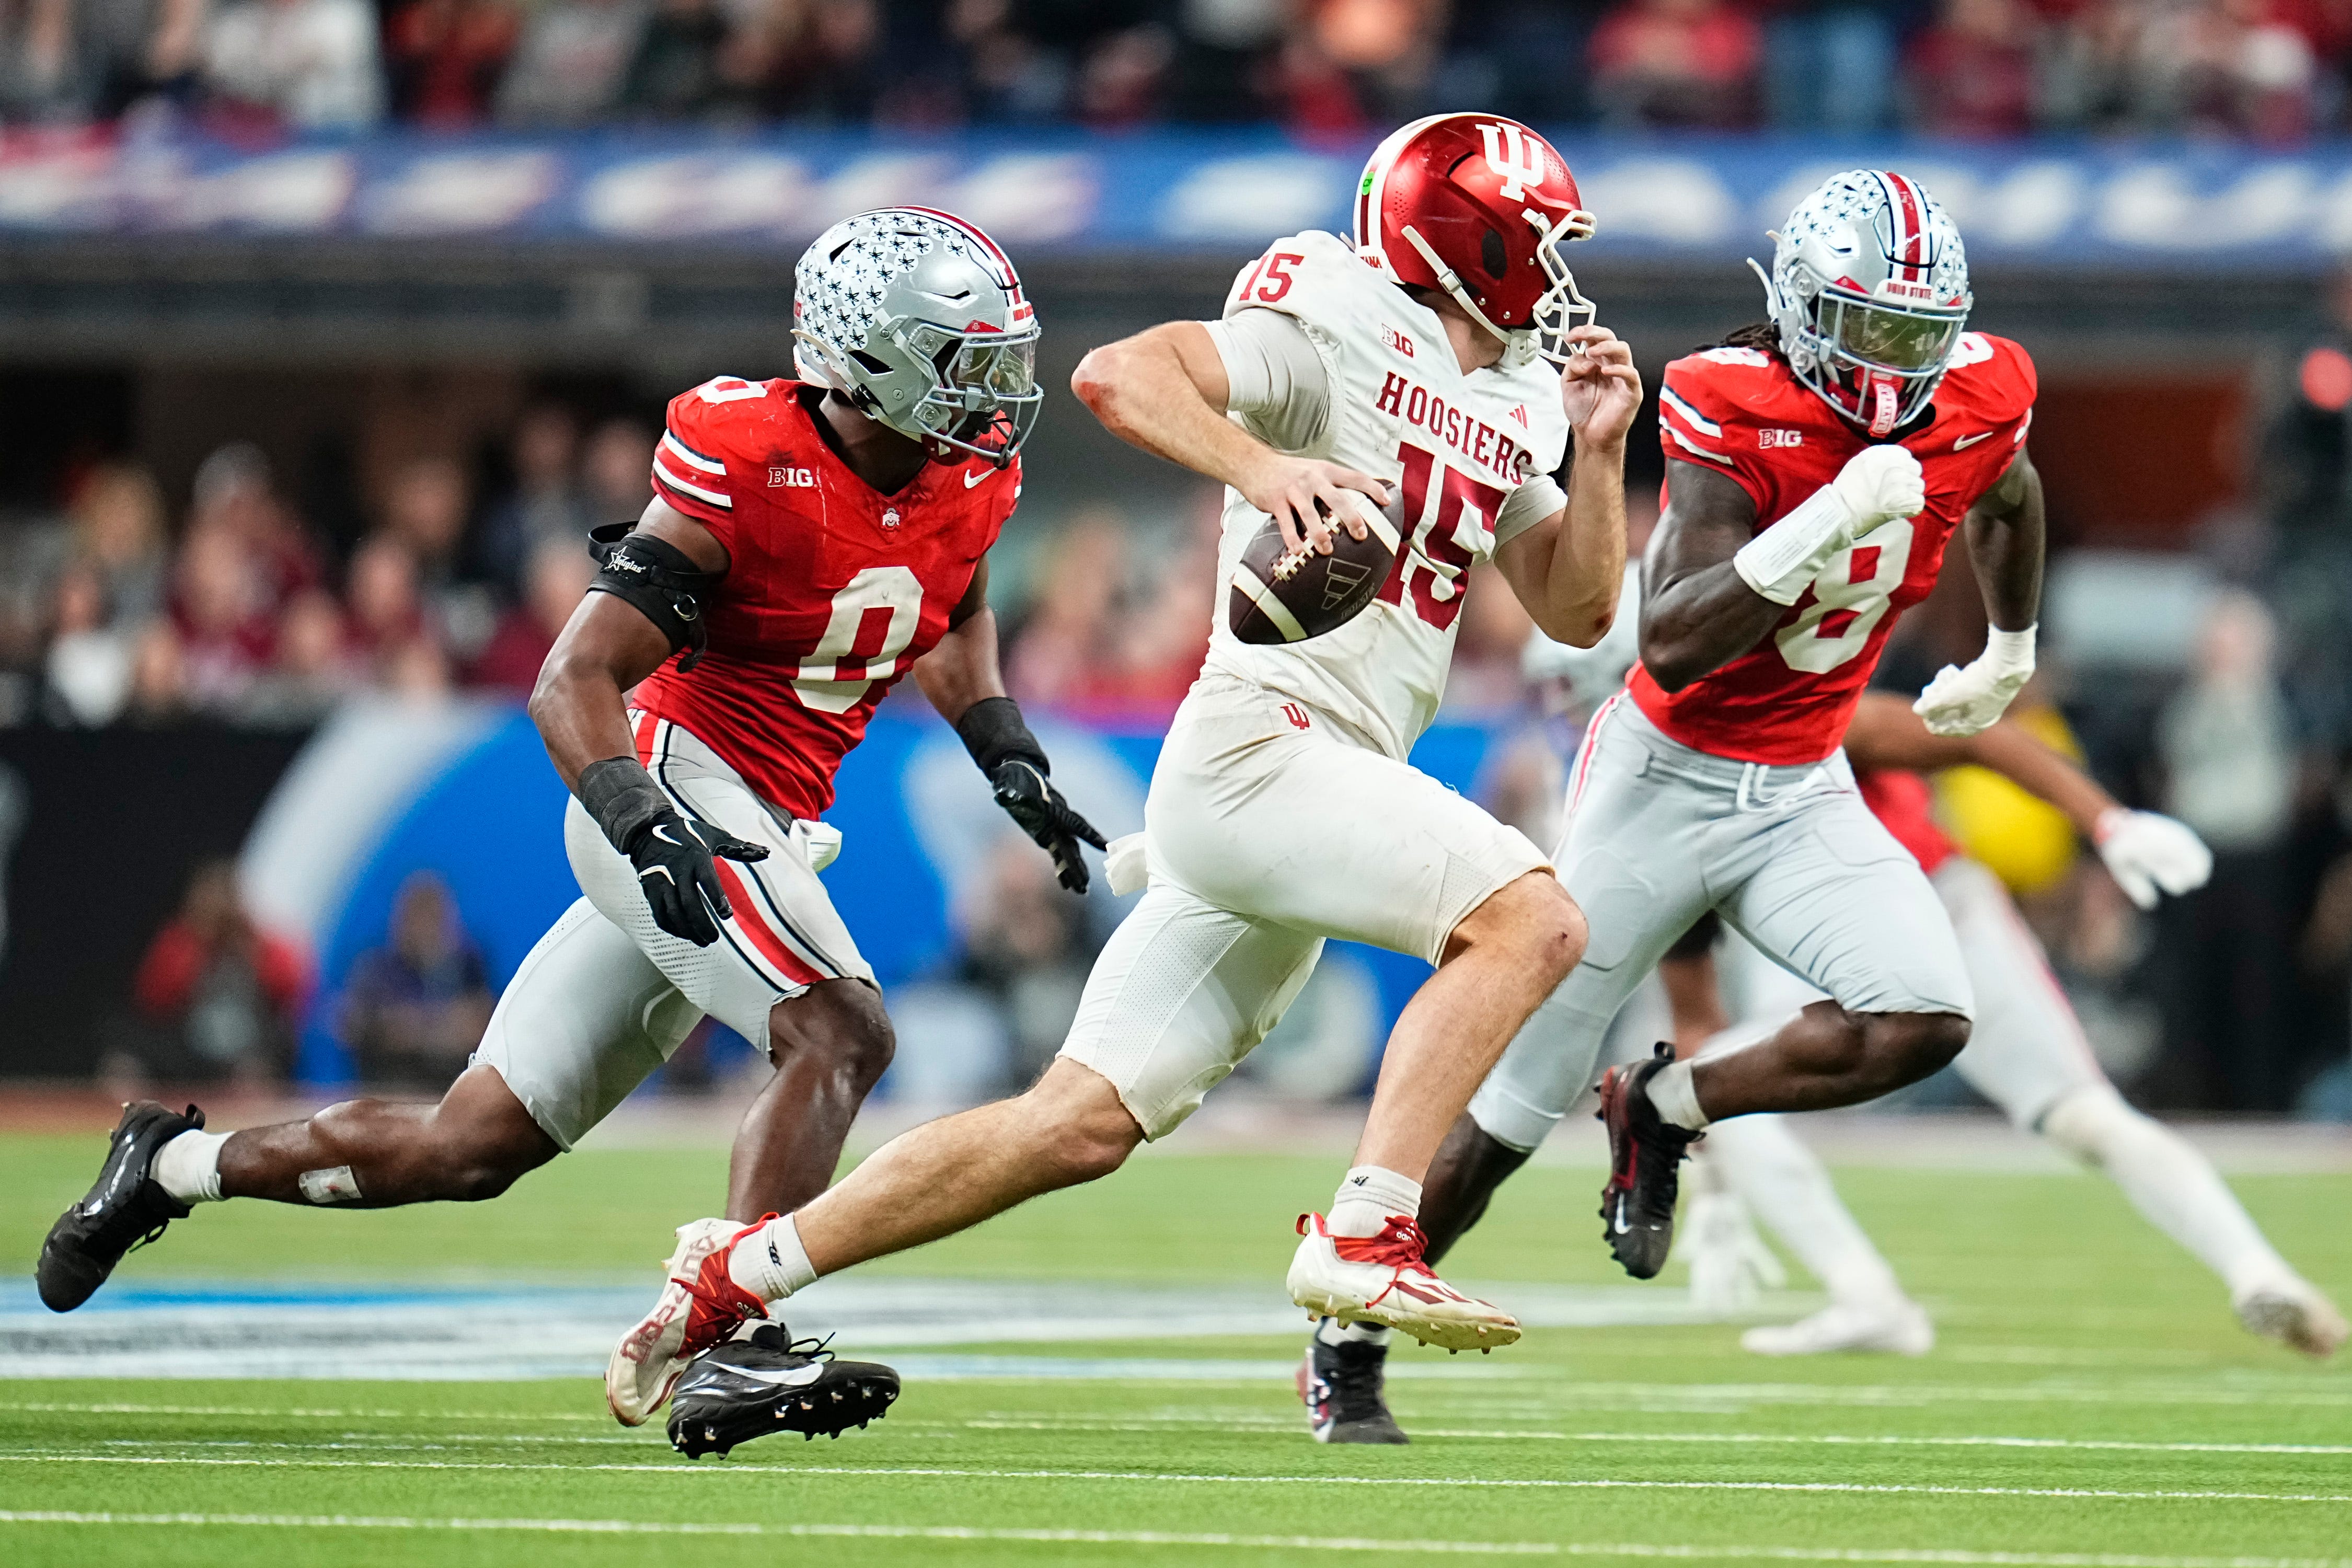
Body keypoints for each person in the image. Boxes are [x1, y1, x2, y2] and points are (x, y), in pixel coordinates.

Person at [602, 113, 1636, 1442]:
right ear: (1469, 237)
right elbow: (1116, 376)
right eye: (1538, 246)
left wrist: (1598, 448)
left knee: (1073, 1123)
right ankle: (1371, 1228)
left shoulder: (1508, 396)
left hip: (1322, 779)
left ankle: (731, 1272)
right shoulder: (1332, 311)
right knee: (1530, 916)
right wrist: (1270, 468)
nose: (1557, 280)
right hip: (1261, 749)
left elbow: (1575, 604)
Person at [38, 209, 1104, 1445]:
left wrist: (1003, 749)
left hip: (763, 809)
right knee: (839, 1030)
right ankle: (733, 1341)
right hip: (665, 776)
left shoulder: (966, 474)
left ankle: (165, 1165)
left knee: (467, 1143)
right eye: (965, 358)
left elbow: (952, 592)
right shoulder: (747, 457)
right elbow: (570, 680)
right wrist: (642, 824)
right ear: (872, 359)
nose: (996, 392)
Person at [1306, 169, 2043, 1444]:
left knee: (1922, 1016)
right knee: (1504, 1112)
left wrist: (2010, 642)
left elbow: (2009, 488)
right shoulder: (1726, 398)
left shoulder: (1979, 388)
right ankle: (1346, 1341)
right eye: (1865, 330)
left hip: (1802, 781)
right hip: (1662, 777)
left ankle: (1660, 1108)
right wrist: (1822, 520)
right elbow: (1674, 641)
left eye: (1915, 335)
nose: (1893, 363)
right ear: (1803, 311)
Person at [1671, 691, 2347, 1361]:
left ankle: (2260, 1272)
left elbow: (1977, 737)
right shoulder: (1666, 817)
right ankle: (1866, 1297)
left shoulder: (1780, 719)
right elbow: (1695, 1020)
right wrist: (1716, 1184)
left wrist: (2108, 822)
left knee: (2083, 1115)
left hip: (1930, 909)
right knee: (1708, 1084)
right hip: (1834, 954)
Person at [340, 871, 497, 1089]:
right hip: (390, 1087)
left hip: (449, 1089)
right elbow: (356, 1026)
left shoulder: (468, 967)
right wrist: (443, 1026)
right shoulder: (376, 970)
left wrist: (412, 1026)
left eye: (434, 916)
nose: (425, 926)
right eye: (417, 915)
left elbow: (482, 1025)